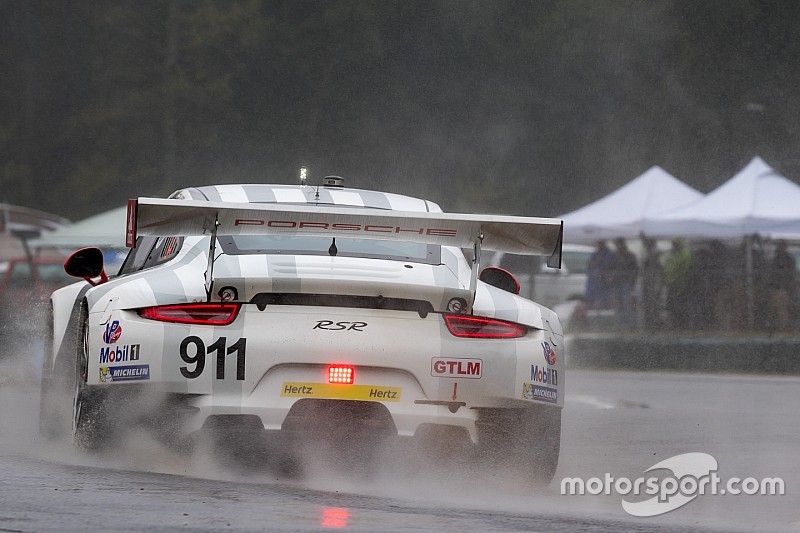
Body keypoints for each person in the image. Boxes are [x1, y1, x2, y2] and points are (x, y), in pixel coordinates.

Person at [608, 238, 638, 328]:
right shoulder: (614, 256)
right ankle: (619, 324)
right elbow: (610, 267)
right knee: (618, 304)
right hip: (616, 283)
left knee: (626, 304)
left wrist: (631, 280)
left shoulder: (630, 255)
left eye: (619, 245)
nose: (618, 247)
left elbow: (635, 269)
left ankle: (628, 324)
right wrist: (611, 276)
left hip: (626, 282)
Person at [664, 238, 691, 328]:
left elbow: (682, 267)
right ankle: (674, 323)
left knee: (680, 305)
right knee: (671, 305)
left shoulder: (684, 254)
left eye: (675, 244)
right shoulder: (672, 253)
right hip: (671, 283)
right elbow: (667, 264)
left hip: (681, 285)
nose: (673, 246)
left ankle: (682, 324)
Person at [770, 239, 795, 331]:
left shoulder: (788, 259)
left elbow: (789, 275)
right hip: (778, 287)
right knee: (779, 307)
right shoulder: (775, 259)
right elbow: (772, 275)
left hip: (784, 288)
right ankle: (781, 325)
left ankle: (782, 326)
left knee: (782, 308)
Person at [641, 237, 664, 330]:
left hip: (655, 283)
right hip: (648, 283)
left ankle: (655, 322)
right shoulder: (646, 254)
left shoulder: (656, 253)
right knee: (648, 304)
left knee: (655, 304)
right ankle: (649, 322)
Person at [585, 241, 612, 309]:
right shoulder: (595, 254)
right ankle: (593, 309)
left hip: (604, 280)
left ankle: (603, 308)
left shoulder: (608, 254)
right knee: (592, 296)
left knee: (604, 296)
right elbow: (591, 265)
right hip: (595, 280)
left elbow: (609, 266)